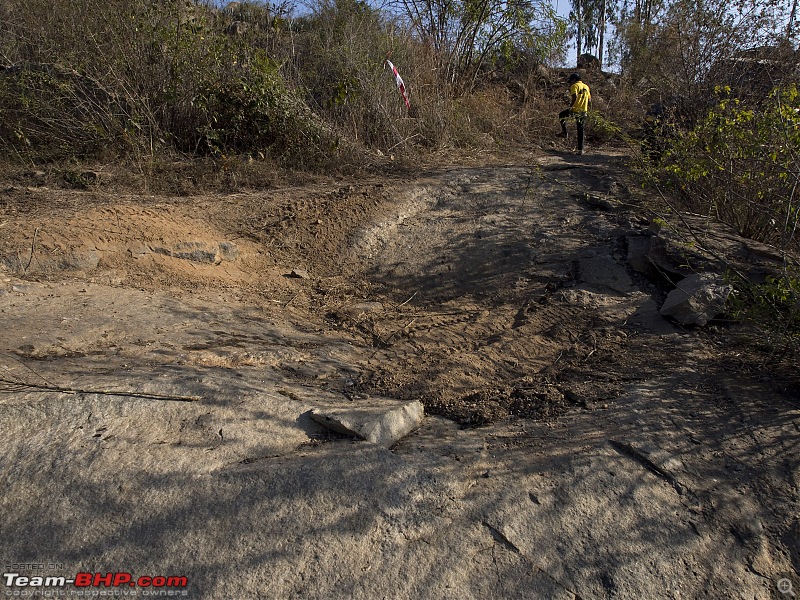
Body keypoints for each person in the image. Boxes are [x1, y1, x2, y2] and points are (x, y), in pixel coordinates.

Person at [557, 73, 591, 155]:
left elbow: (574, 97)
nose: (570, 83)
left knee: (561, 115)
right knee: (580, 129)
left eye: (571, 81)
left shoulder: (574, 86)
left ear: (574, 80)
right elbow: (589, 101)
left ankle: (565, 133)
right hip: (583, 111)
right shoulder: (586, 87)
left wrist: (571, 107)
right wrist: (588, 110)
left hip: (575, 110)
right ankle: (580, 150)